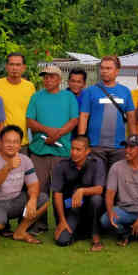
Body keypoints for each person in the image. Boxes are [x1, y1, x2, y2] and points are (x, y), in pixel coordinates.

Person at [0, 125, 47, 244]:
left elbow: (33, 184)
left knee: (43, 199)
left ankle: (20, 232)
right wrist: (8, 167)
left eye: (15, 142)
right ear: (0, 143)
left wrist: (33, 199)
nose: (11, 145)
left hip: (14, 200)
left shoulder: (25, 160)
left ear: (20, 144)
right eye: (8, 142)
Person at [27, 64, 80, 207]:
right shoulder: (36, 97)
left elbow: (74, 120)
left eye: (51, 77)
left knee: (62, 188)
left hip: (62, 150)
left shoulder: (69, 97)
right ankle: (38, 224)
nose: (47, 80)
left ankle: (62, 221)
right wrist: (47, 131)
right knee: (38, 187)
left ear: (59, 79)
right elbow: (30, 122)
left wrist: (57, 135)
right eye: (45, 77)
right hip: (39, 150)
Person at [78, 55, 136, 172]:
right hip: (95, 146)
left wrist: (134, 141)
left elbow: (131, 117)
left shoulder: (125, 91)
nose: (104, 71)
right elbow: (84, 116)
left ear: (117, 71)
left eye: (108, 68)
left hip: (119, 147)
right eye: (102, 68)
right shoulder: (90, 91)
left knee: (115, 182)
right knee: (96, 182)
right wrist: (81, 140)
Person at [52, 135, 106, 251]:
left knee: (97, 199)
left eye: (78, 150)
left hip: (90, 207)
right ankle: (80, 231)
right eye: (72, 149)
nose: (74, 153)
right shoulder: (62, 165)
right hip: (71, 208)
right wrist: (62, 221)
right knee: (62, 241)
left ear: (87, 151)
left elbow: (99, 189)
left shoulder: (97, 163)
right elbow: (57, 194)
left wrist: (82, 191)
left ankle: (95, 234)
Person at [0, 52, 36, 153]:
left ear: (24, 67)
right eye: (11, 64)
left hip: (22, 142)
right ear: (6, 67)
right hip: (2, 142)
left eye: (18, 65)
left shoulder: (30, 87)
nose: (15, 68)